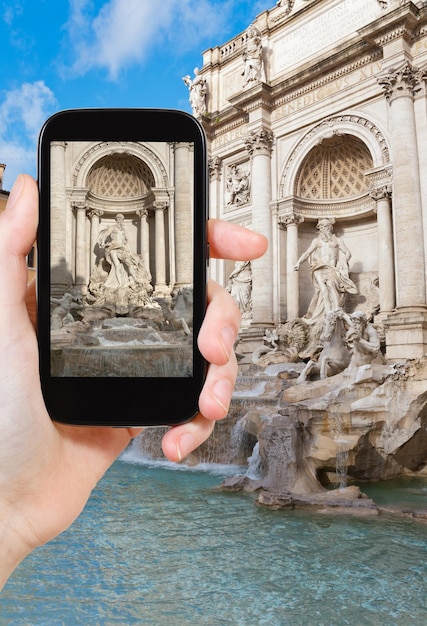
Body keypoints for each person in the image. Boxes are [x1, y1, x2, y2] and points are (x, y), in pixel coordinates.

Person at [0, 174, 267, 589]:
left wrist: (11, 511)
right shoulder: (105, 237)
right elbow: (103, 247)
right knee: (124, 267)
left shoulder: (131, 234)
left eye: (124, 226)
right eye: (117, 226)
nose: (120, 228)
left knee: (135, 270)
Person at [293, 217, 357, 323]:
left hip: (332, 268)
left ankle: (335, 311)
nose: (324, 228)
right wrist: (298, 262)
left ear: (330, 227)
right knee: (323, 289)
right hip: (319, 267)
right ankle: (328, 313)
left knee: (331, 287)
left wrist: (343, 260)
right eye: (322, 226)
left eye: (326, 226)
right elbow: (307, 253)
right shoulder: (316, 241)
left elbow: (347, 253)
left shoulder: (338, 241)